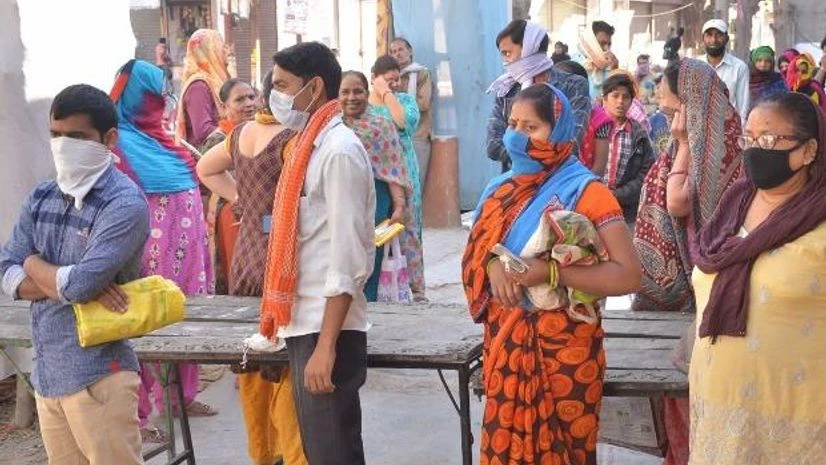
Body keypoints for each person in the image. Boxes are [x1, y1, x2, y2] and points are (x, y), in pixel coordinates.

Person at [463, 83, 641, 465]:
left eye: (531, 128)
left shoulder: (587, 191)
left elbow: (627, 276)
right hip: (506, 342)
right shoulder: (499, 190)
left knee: (566, 451)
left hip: (566, 352)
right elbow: (479, 252)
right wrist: (493, 265)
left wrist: (551, 272)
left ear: (558, 131)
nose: (516, 137)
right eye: (513, 124)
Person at [0, 84, 149, 464]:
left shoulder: (124, 203)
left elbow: (80, 286)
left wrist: (31, 262)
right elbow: (4, 270)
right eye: (56, 135)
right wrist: (65, 282)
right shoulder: (41, 197)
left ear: (109, 138)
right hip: (48, 375)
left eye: (77, 137)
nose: (63, 145)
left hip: (100, 376)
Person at [688, 92, 826, 464]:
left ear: (809, 151)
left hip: (797, 423)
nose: (754, 150)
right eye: (748, 138)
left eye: (768, 140)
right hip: (718, 410)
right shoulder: (734, 203)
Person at [260, 41, 375, 465]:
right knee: (322, 451)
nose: (275, 95)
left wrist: (325, 348)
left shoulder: (338, 152)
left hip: (328, 330)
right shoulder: (308, 146)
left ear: (313, 88)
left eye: (282, 85)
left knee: (333, 453)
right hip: (304, 323)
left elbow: (348, 258)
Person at [633, 58, 742, 465]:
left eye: (668, 100)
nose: (660, 99)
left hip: (694, 299)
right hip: (684, 293)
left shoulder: (706, 141)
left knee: (688, 391)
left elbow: (678, 202)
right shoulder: (716, 130)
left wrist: (681, 145)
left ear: (689, 102)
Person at [197, 73, 307, 465]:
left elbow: (206, 170)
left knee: (255, 362)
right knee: (291, 360)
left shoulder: (241, 134)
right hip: (286, 258)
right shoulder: (297, 139)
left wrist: (244, 199)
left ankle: (264, 453)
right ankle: (291, 453)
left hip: (246, 257)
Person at [110, 60, 217, 442]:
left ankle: (181, 397)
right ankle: (139, 415)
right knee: (145, 323)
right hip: (147, 256)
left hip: (187, 253)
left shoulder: (165, 138)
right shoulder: (115, 142)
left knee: (183, 316)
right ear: (137, 95)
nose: (162, 100)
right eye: (154, 93)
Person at [339, 71, 423, 302]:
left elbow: (394, 170)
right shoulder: (331, 128)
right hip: (340, 202)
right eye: (345, 92)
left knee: (373, 258)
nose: (352, 97)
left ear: (367, 94)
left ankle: (372, 307)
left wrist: (399, 206)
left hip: (377, 204)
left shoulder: (382, 126)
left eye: (358, 91)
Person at [487, 20, 591, 171]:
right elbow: (493, 146)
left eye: (508, 53)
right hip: (517, 185)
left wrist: (517, 148)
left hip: (560, 182)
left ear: (529, 49)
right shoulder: (506, 90)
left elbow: (571, 142)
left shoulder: (573, 86)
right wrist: (545, 153)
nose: (505, 62)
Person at [367, 56, 427, 291]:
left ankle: (414, 287)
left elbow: (403, 122)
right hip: (376, 179)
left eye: (397, 79)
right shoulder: (364, 106)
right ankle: (381, 287)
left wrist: (387, 94)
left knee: (408, 229)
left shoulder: (404, 101)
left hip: (405, 176)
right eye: (388, 80)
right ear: (374, 78)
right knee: (379, 229)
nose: (394, 84)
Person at [199, 78, 257, 295]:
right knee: (236, 269)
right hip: (230, 213)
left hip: (257, 213)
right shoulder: (219, 140)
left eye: (251, 97)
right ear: (224, 107)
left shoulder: (258, 132)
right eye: (240, 99)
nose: (249, 103)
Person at [595, 73, 655, 224]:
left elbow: (646, 172)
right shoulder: (593, 128)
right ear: (605, 99)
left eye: (625, 97)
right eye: (615, 96)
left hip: (626, 211)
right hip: (593, 204)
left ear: (631, 101)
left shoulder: (638, 134)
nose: (620, 101)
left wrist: (617, 195)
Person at [390, 37, 434, 187]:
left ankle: (414, 211)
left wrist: (397, 104)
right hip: (395, 136)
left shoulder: (421, 74)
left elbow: (423, 103)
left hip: (418, 135)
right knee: (396, 186)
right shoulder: (390, 77)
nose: (398, 54)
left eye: (401, 49)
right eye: (394, 51)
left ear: (410, 51)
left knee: (415, 183)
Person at [176, 29, 231, 148]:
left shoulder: (217, 81)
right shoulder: (198, 86)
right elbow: (203, 131)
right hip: (206, 157)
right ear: (209, 51)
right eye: (222, 46)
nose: (227, 51)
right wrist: (237, 134)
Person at [698, 19, 749, 123]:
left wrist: (740, 135)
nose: (713, 40)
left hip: (728, 131)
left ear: (727, 38)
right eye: (709, 35)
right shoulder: (694, 66)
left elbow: (742, 107)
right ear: (703, 39)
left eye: (719, 35)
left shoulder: (739, 67)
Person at [579, 20, 619, 98]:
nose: (606, 48)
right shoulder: (574, 66)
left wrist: (615, 72)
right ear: (591, 42)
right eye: (602, 43)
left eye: (609, 44)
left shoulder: (609, 66)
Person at [748, 46, 788, 112]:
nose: (763, 64)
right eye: (759, 60)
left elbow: (784, 103)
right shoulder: (746, 79)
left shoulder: (778, 81)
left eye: (767, 61)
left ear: (772, 63)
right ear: (754, 62)